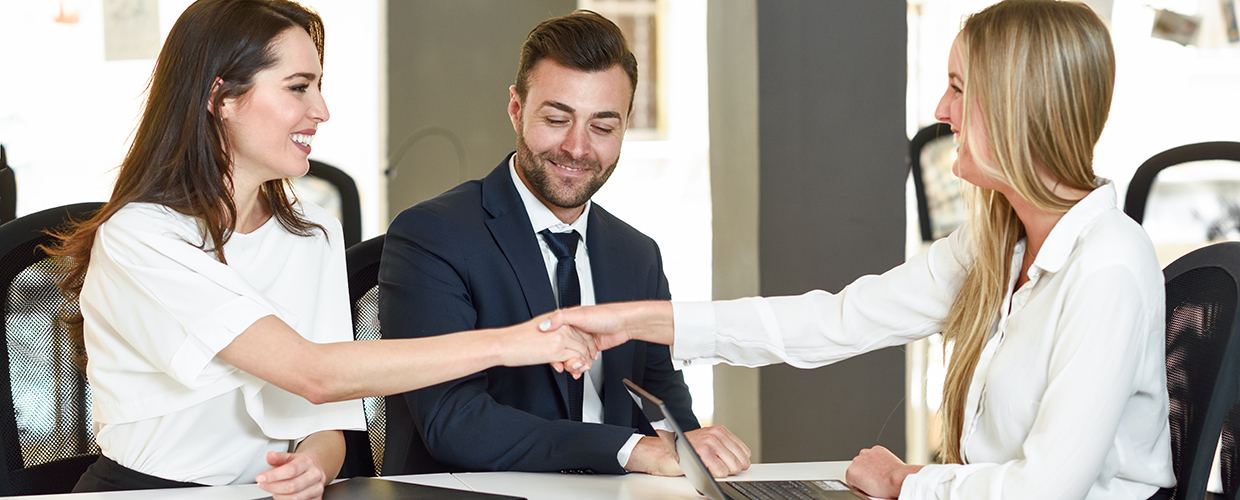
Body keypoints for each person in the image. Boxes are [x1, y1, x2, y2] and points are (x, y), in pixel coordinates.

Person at [548, 1, 1176, 498]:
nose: (941, 109)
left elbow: (1045, 490)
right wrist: (630, 321)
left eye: (959, 88)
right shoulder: (996, 249)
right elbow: (835, 320)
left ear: (1018, 105)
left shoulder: (1108, 266)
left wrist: (909, 482)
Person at [48, 1, 595, 498]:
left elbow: (327, 420)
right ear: (220, 97)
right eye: (297, 87)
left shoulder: (315, 233)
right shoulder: (141, 237)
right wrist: (511, 343)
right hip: (148, 493)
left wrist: (314, 462)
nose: (322, 110)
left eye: (318, 86)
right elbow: (314, 372)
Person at [378, 10, 750, 478]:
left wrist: (691, 444)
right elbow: (454, 421)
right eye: (557, 118)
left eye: (602, 127)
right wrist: (628, 450)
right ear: (516, 108)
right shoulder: (432, 235)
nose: (577, 147)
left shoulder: (638, 254)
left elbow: (664, 403)